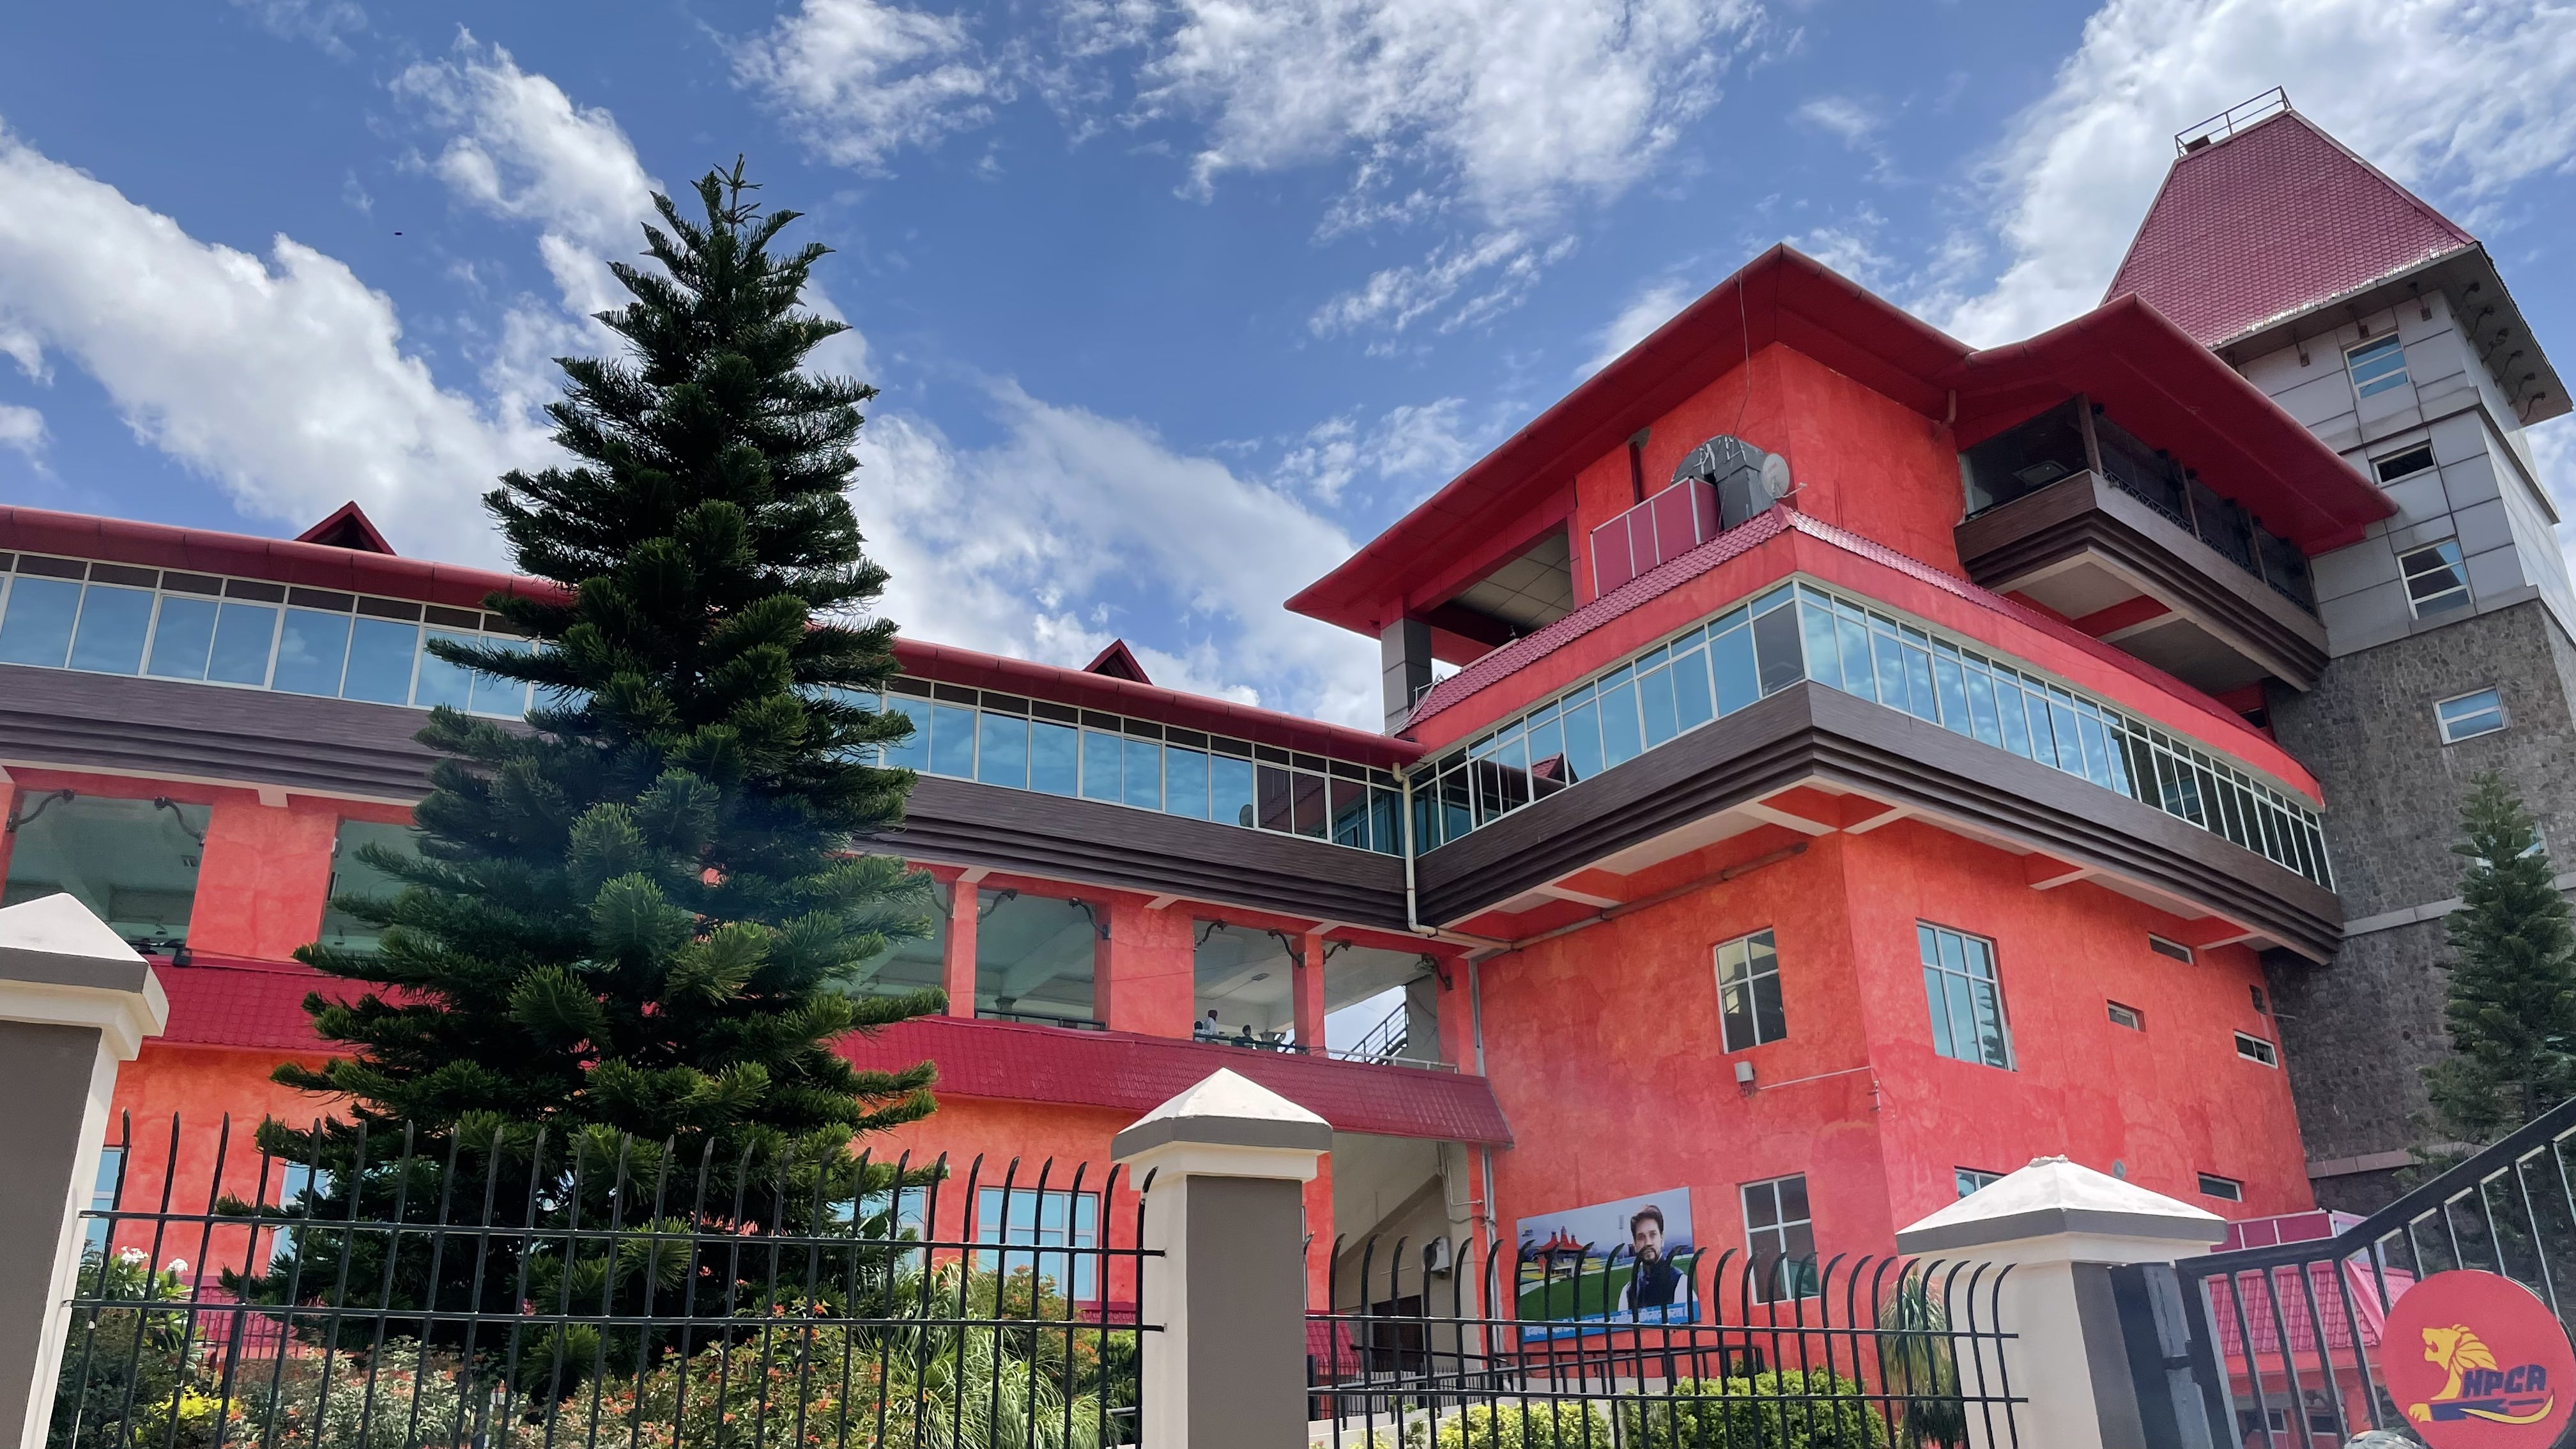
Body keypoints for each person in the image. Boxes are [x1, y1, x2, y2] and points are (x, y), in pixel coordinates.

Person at [1620, 1206, 1683, 1316]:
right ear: (1634, 1244)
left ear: (1662, 1238)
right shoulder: (1627, 1292)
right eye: (1641, 1237)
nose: (1648, 1242)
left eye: (1652, 1235)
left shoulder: (1681, 1284)